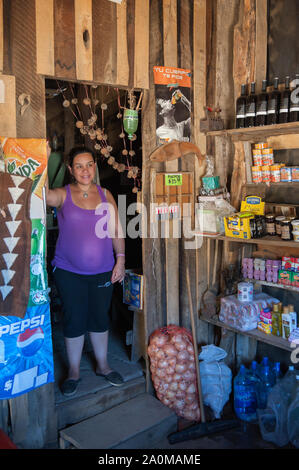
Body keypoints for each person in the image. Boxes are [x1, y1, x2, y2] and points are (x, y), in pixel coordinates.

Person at [46, 144, 125, 396]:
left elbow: (116, 230)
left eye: (89, 164)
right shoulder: (63, 194)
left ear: (95, 166)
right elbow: (42, 195)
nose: (85, 170)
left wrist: (120, 259)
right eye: (79, 166)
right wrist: (44, 161)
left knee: (99, 318)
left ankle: (102, 365)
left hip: (102, 270)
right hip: (69, 271)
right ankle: (74, 371)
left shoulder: (105, 195)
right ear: (71, 169)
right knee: (74, 318)